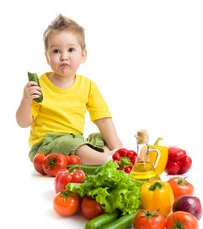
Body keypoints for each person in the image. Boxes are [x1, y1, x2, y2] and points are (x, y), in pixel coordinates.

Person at [16, 14, 123, 164]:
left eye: (71, 50)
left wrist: (119, 149)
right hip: (45, 145)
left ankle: (110, 156)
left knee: (101, 137)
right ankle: (108, 160)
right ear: (47, 58)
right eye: (56, 51)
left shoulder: (88, 86)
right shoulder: (39, 85)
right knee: (76, 146)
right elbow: (23, 122)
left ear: (83, 55)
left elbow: (104, 120)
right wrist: (26, 100)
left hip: (76, 141)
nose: (64, 57)